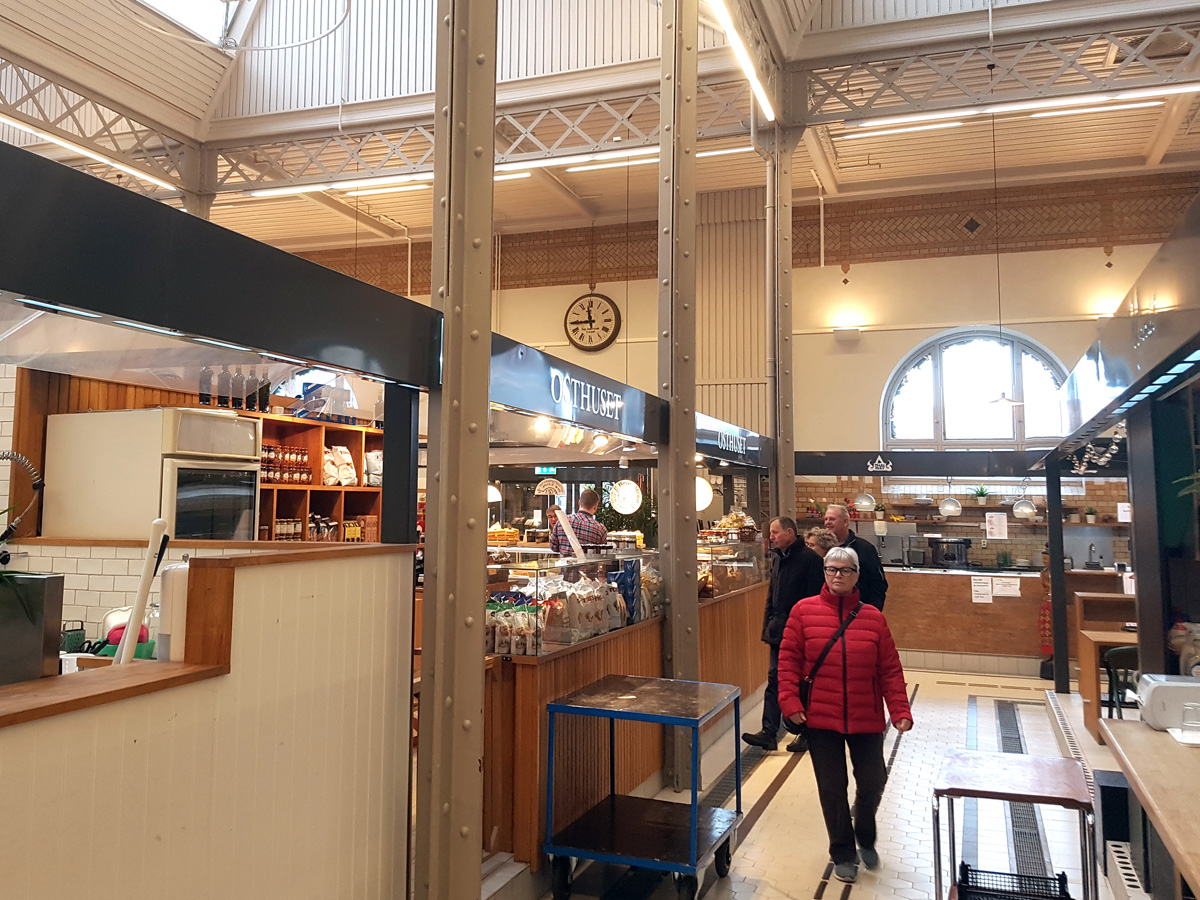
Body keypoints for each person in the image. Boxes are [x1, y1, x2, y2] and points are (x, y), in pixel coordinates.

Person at [778, 546, 913, 883]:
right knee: (832, 787)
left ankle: (864, 832)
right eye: (831, 569)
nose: (837, 575)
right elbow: (788, 662)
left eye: (844, 570)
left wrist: (899, 709)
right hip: (820, 718)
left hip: (865, 716)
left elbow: (890, 670)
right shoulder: (803, 612)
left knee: (872, 780)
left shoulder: (873, 618)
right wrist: (790, 702)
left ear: (856, 575)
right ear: (824, 572)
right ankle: (842, 850)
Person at [742, 516, 825, 753]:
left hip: (801, 634)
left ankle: (807, 732)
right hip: (778, 632)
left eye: (776, 533)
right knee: (774, 680)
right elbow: (772, 596)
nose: (771, 537)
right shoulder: (778, 560)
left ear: (790, 532)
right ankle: (769, 732)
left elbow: (815, 600)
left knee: (801, 683)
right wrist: (767, 625)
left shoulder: (810, 560)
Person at [824, 504, 888, 610]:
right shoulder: (822, 549)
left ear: (846, 522)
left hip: (859, 611)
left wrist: (872, 611)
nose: (827, 523)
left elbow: (878, 584)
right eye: (826, 519)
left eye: (832, 519)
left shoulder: (865, 548)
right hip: (827, 611)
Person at [550, 490, 607, 555]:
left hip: (564, 564)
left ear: (579, 503)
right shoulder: (600, 529)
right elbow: (602, 554)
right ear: (595, 506)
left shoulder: (562, 521)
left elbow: (553, 547)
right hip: (587, 565)